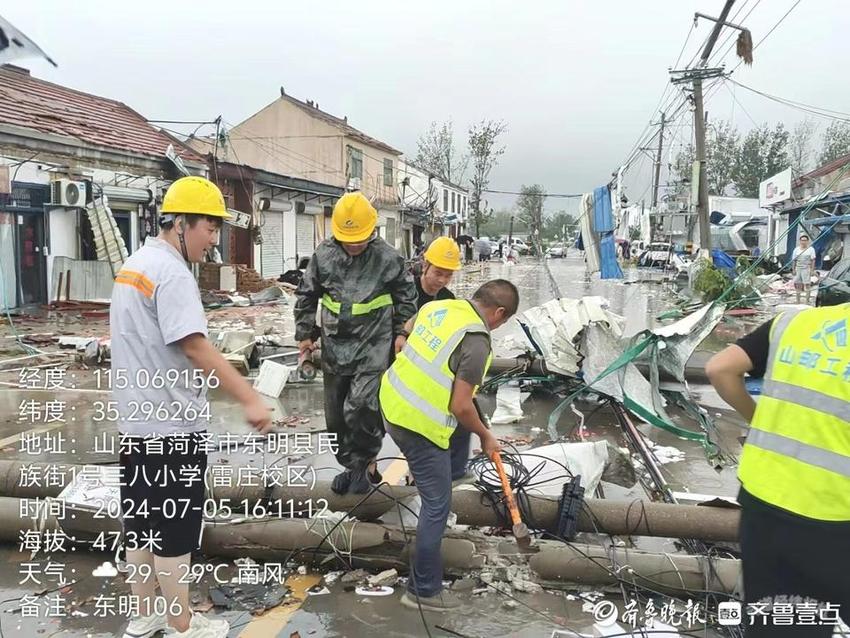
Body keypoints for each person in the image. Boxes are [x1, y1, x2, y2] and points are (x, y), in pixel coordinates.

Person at [112, 176, 272, 638]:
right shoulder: (173, 273)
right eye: (209, 227)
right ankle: (182, 626)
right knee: (175, 532)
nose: (215, 238)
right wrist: (249, 397)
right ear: (181, 223)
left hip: (137, 423)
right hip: (171, 426)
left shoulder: (134, 265)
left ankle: (145, 617)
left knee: (142, 526)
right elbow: (195, 346)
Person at [705, 303, 850, 638]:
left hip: (763, 503)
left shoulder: (795, 321)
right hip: (834, 518)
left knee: (777, 620)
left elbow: (719, 368)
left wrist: (759, 422)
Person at [379, 280, 520, 612]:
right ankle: (422, 591)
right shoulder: (477, 341)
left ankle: (455, 469)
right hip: (415, 425)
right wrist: (486, 435)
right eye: (504, 320)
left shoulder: (438, 307)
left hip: (390, 399)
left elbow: (409, 333)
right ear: (499, 313)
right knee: (436, 507)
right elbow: (459, 406)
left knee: (468, 413)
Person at [295, 192, 417, 495]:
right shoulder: (324, 256)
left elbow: (406, 295)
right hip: (336, 342)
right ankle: (351, 466)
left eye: (360, 239)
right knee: (336, 415)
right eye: (349, 239)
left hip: (374, 341)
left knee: (362, 405)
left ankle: (363, 465)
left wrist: (402, 333)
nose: (354, 245)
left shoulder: (387, 257)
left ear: (372, 232)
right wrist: (305, 335)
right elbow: (306, 295)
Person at [413, 236, 461, 308]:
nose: (442, 280)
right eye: (438, 273)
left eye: (448, 275)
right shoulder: (406, 292)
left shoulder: (448, 299)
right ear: (425, 266)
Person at [791, 234, 816, 304]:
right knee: (797, 284)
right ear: (800, 241)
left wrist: (812, 270)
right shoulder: (796, 250)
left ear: (807, 241)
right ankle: (798, 301)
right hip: (798, 268)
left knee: (807, 285)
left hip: (806, 268)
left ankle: (807, 301)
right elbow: (794, 260)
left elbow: (813, 260)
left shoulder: (811, 249)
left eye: (805, 240)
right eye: (802, 240)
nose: (803, 242)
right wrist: (793, 269)